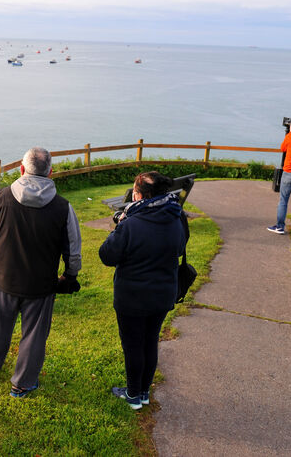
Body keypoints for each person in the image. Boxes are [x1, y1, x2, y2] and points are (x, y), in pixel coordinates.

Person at [0, 147, 82, 398]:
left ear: (21, 168)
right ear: (51, 172)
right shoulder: (63, 208)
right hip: (41, 285)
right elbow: (73, 251)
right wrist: (70, 277)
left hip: (4, 277)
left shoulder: (0, 197)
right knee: (34, 335)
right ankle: (22, 384)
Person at [99, 171, 186, 410]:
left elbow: (106, 255)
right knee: (149, 342)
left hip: (132, 296)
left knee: (133, 345)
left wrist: (118, 226)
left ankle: (133, 395)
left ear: (139, 195)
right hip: (163, 293)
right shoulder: (176, 216)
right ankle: (144, 392)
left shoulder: (131, 223)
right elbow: (179, 249)